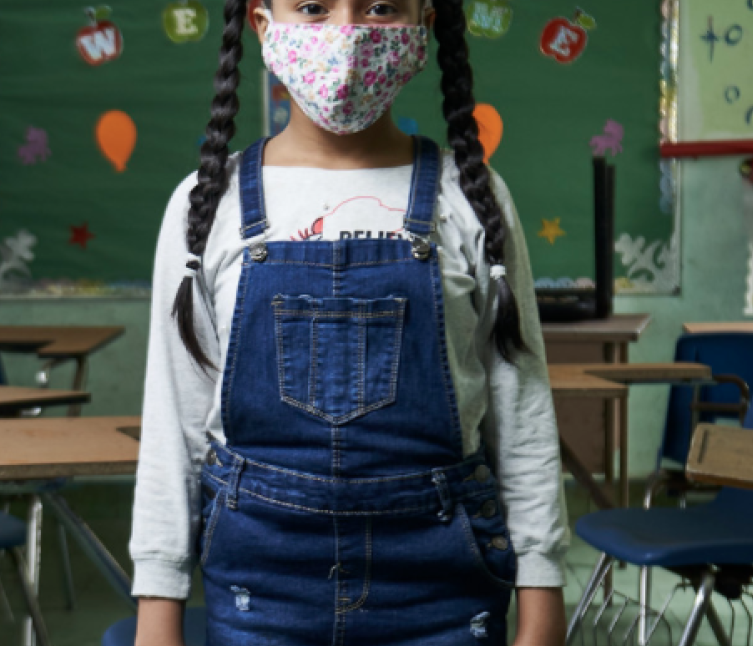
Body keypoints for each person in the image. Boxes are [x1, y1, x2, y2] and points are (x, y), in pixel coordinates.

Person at [130, 1, 567, 644]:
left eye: (381, 7)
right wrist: (157, 608)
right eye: (313, 7)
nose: (347, 33)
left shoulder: (471, 197)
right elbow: (175, 425)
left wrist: (543, 593)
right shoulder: (206, 205)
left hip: (441, 587)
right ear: (262, 24)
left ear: (423, 24)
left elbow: (521, 413)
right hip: (261, 589)